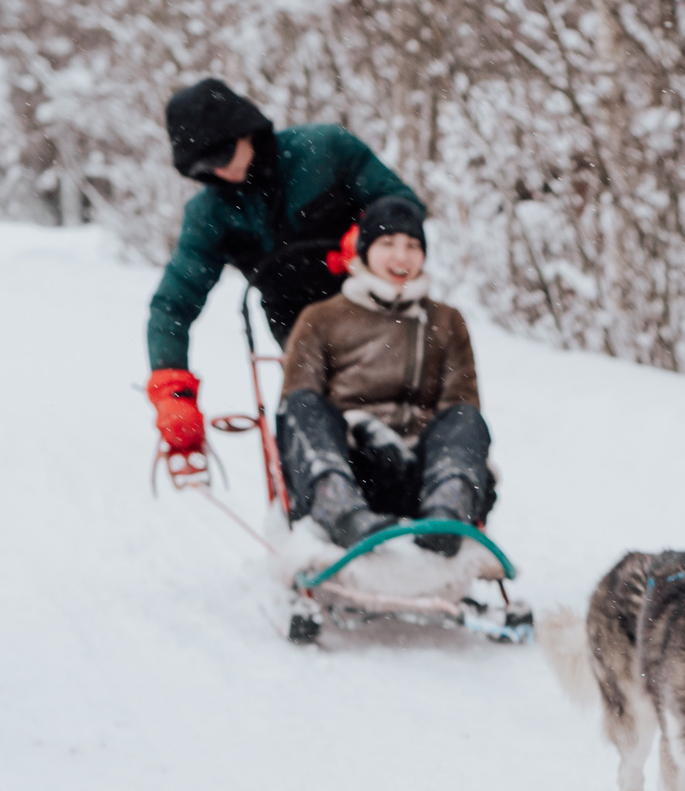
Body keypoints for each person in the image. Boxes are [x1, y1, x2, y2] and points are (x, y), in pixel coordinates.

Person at [143, 79, 423, 463]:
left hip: (375, 297)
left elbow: (402, 204)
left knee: (402, 397)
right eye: (204, 166)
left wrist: (365, 238)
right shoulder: (210, 215)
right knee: (326, 407)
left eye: (222, 154)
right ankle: (332, 494)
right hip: (296, 319)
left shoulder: (325, 150)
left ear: (246, 130)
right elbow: (174, 305)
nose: (220, 171)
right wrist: (172, 390)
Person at [276, 196, 494, 551]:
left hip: (422, 475)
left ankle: (447, 517)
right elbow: (298, 407)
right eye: (387, 243)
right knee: (300, 405)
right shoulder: (321, 317)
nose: (401, 257)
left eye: (412, 245)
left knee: (466, 418)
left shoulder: (446, 321)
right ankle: (341, 512)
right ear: (364, 251)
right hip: (354, 466)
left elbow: (460, 402)